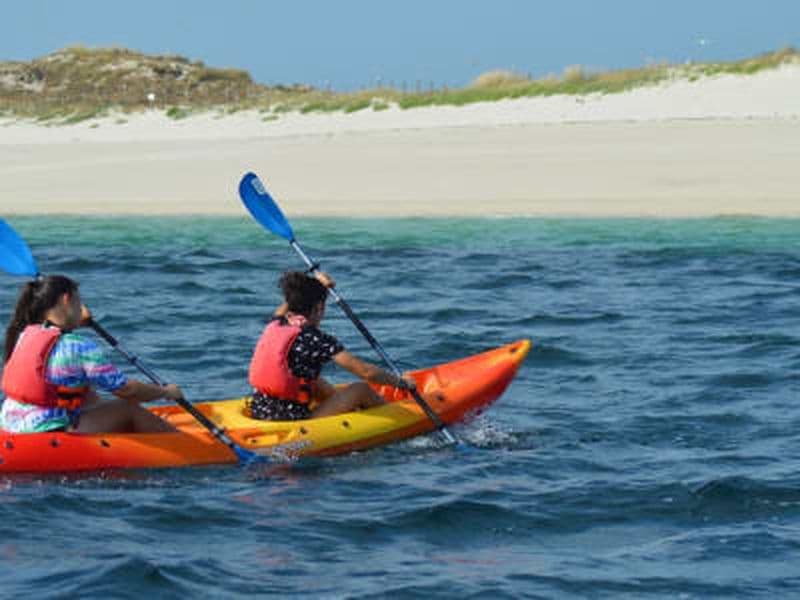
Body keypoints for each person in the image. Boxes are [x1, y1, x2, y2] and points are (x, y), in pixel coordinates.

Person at [1, 275, 182, 434]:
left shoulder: (25, 334)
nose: (81, 309)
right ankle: (183, 445)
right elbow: (127, 390)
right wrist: (164, 391)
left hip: (11, 424)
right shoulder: (79, 347)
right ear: (67, 300)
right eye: (79, 303)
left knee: (87, 392)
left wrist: (77, 321)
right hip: (47, 431)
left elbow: (57, 343)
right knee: (129, 408)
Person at [247, 270, 416, 420]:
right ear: (319, 308)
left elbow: (288, 305)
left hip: (260, 411)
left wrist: (320, 286)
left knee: (314, 380)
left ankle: (347, 410)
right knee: (361, 389)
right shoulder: (317, 339)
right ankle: (399, 418)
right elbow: (366, 372)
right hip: (292, 420)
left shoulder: (277, 323)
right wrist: (402, 383)